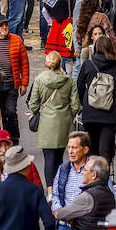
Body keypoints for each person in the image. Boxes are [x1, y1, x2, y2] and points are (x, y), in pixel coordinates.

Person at [28, 51, 79, 187]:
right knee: (59, 158)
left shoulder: (39, 79)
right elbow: (75, 105)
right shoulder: (69, 80)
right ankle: (60, 187)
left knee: (48, 159)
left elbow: (33, 103)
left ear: (46, 63)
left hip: (46, 123)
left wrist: (36, 111)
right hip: (64, 122)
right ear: (60, 63)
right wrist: (69, 115)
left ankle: (50, 190)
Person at [76, 36, 116, 162]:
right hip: (109, 114)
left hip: (90, 113)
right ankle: (104, 178)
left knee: (91, 149)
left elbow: (79, 85)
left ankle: (92, 176)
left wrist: (84, 102)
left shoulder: (88, 64)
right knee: (106, 150)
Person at [0, 20, 29, 136]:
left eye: (6, 25)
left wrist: (24, 83)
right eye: (1, 25)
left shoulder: (17, 40)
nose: (4, 27)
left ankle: (14, 137)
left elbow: (24, 63)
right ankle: (3, 138)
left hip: (12, 84)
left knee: (11, 111)